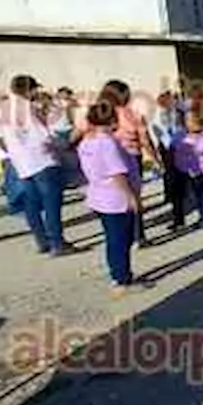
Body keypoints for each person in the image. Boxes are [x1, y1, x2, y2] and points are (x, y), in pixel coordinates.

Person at [0, 75, 71, 256]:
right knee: (51, 203)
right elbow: (41, 136)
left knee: (32, 204)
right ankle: (57, 243)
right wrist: (61, 146)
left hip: (21, 162)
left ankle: (42, 240)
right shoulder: (26, 108)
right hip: (42, 160)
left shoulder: (4, 108)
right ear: (28, 90)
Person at [78, 100, 143, 295]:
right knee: (121, 240)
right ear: (113, 120)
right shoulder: (107, 143)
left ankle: (119, 273)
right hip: (116, 199)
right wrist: (131, 197)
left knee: (115, 239)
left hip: (100, 197)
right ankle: (122, 278)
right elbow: (117, 173)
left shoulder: (87, 142)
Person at [100, 80, 160, 248]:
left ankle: (120, 234)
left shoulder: (101, 114)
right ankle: (138, 236)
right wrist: (155, 158)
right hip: (131, 158)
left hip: (107, 160)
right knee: (134, 197)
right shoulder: (133, 115)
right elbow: (145, 140)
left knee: (115, 198)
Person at [173, 111, 203, 229]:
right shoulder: (180, 136)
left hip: (202, 171)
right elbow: (172, 151)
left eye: (195, 120)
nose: (193, 123)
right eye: (190, 121)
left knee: (201, 195)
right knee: (195, 196)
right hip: (186, 172)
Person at [152, 91, 187, 231]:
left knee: (176, 178)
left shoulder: (178, 112)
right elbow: (158, 130)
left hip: (177, 147)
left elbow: (182, 128)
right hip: (167, 147)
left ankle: (179, 217)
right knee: (171, 176)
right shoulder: (161, 114)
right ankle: (174, 202)